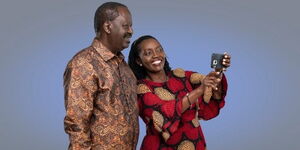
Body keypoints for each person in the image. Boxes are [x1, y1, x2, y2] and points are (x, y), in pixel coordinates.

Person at [128, 35, 231, 150]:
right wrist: (200, 90)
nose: (156, 55)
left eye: (159, 49)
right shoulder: (141, 88)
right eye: (148, 53)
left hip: (196, 144)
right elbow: (164, 111)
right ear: (139, 60)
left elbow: (209, 91)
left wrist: (217, 72)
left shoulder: (180, 75)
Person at [63, 2, 139, 150]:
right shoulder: (84, 64)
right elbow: (77, 124)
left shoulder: (124, 66)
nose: (131, 31)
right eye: (126, 26)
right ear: (107, 27)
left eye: (131, 26)